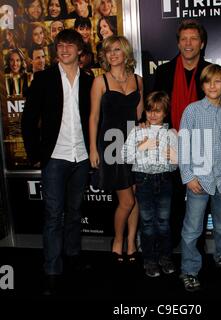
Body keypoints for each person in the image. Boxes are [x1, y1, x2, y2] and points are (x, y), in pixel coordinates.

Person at [21, 29, 94, 295]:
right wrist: (35, 153)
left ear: (80, 50)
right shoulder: (43, 79)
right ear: (56, 50)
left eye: (70, 45)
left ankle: (73, 258)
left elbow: (95, 119)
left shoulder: (89, 80)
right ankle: (52, 269)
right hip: (54, 157)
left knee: (74, 213)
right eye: (60, 45)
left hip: (82, 157)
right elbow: (28, 120)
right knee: (54, 216)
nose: (64, 50)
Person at [178, 64, 221, 292]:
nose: (213, 86)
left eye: (218, 81)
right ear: (202, 85)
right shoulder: (192, 111)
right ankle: (189, 270)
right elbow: (183, 146)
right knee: (192, 229)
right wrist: (188, 176)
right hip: (198, 181)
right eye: (208, 81)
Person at [153, 19, 211, 251]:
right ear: (178, 43)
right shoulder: (163, 72)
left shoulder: (211, 73)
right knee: (172, 203)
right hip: (171, 147)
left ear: (202, 43)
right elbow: (155, 110)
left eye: (193, 38)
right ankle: (172, 249)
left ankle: (196, 248)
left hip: (202, 149)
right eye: (184, 39)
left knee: (200, 203)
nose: (188, 43)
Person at [89, 35, 143, 264]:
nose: (112, 54)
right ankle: (117, 240)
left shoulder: (139, 81)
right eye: (109, 50)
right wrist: (93, 147)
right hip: (112, 144)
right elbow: (93, 117)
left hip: (135, 144)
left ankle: (131, 242)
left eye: (117, 50)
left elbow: (141, 117)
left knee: (135, 197)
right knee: (127, 201)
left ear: (126, 54)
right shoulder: (101, 82)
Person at [123, 91, 177, 277]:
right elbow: (125, 156)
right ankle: (149, 260)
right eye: (149, 110)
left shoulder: (171, 133)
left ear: (165, 113)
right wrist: (141, 147)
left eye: (158, 111)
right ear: (144, 112)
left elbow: (176, 164)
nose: (153, 115)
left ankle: (165, 258)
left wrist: (174, 158)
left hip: (164, 180)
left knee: (163, 223)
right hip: (143, 180)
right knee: (147, 223)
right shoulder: (137, 131)